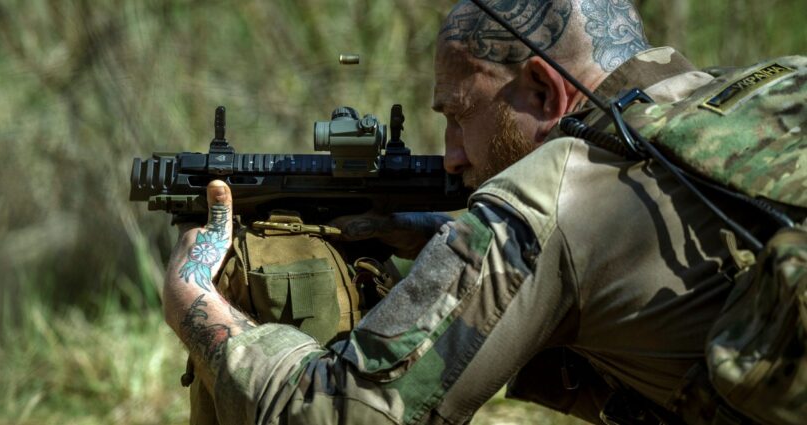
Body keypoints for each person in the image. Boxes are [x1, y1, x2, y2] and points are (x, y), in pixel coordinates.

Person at [162, 1, 759, 423]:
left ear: (545, 91)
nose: (451, 156)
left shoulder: (554, 196)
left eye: (458, 115)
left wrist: (193, 302)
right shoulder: (764, 90)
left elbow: (343, 415)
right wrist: (464, 250)